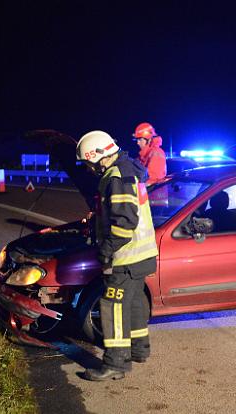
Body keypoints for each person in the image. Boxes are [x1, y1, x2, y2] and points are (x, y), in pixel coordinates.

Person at [76, 130, 159, 381]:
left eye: (89, 163)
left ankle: (116, 363)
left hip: (126, 256)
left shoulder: (116, 177)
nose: (89, 169)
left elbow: (124, 223)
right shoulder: (129, 170)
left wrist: (106, 251)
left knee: (112, 305)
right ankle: (139, 349)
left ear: (99, 156)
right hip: (143, 255)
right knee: (134, 302)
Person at [133, 122, 167, 187]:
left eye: (140, 139)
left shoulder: (156, 153)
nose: (137, 142)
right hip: (147, 192)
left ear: (148, 140)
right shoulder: (143, 155)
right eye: (137, 140)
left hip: (155, 194)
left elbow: (153, 180)